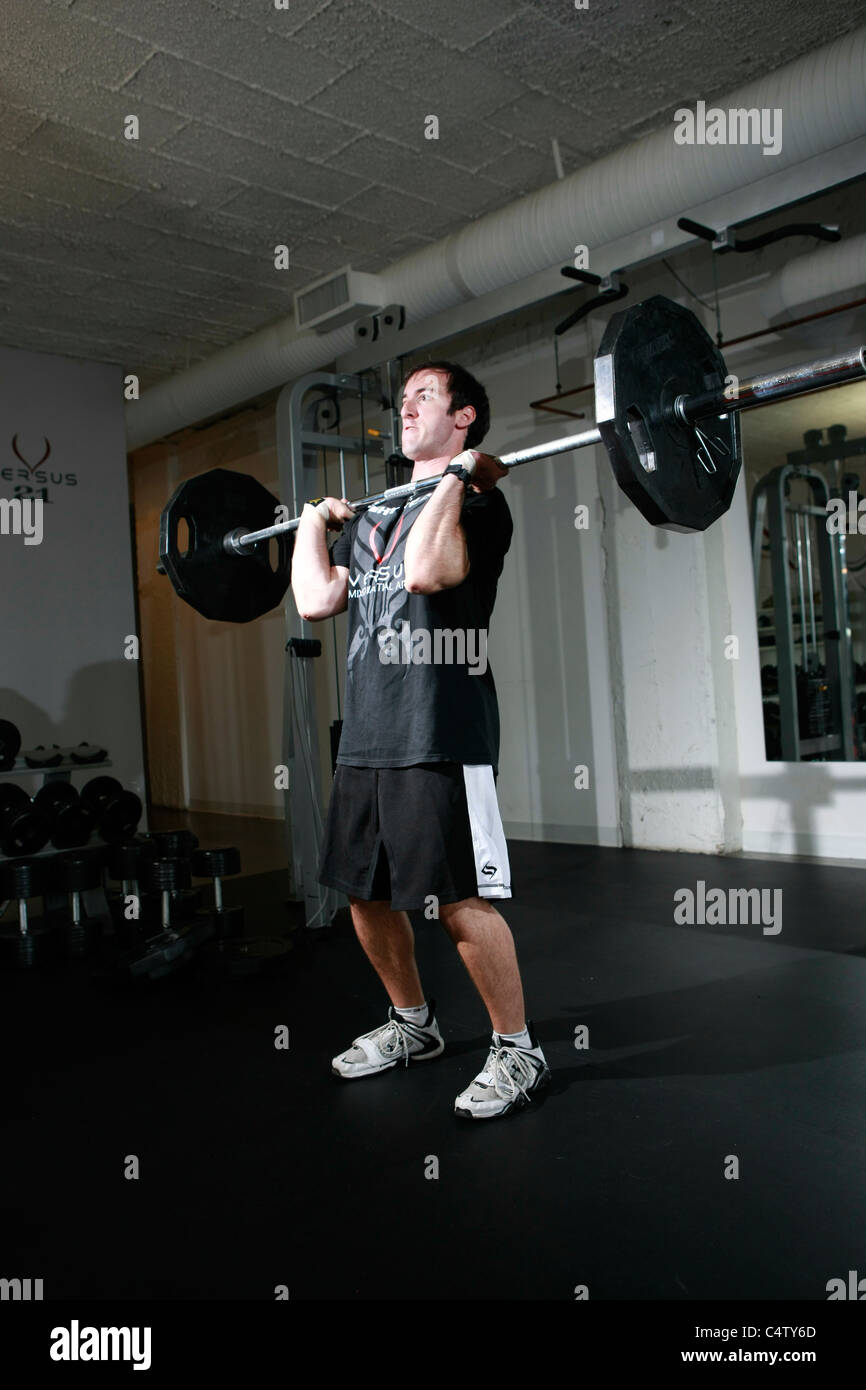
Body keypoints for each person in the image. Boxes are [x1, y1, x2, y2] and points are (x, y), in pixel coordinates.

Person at [290, 361, 550, 1120]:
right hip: (368, 729)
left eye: (424, 398)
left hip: (440, 724)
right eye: (401, 400)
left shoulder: (482, 503)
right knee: (364, 897)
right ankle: (414, 1025)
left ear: (465, 418)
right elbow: (315, 599)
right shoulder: (374, 515)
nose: (405, 409)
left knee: (458, 901)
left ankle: (517, 1049)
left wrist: (459, 480)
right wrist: (311, 526)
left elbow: (432, 572)